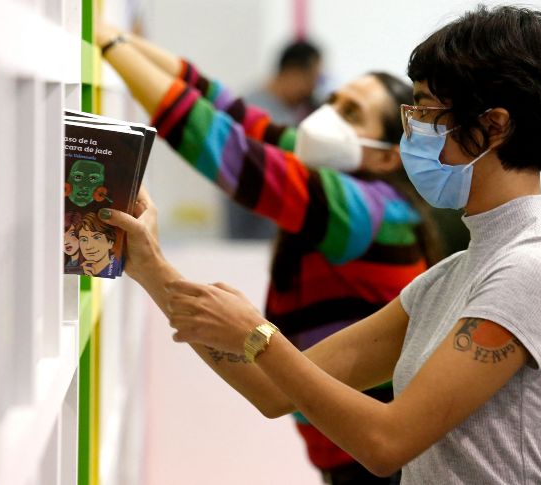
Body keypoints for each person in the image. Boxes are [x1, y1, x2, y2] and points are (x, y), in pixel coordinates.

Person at [100, 5, 541, 483]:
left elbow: (386, 443)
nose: (414, 131)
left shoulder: (536, 268)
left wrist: (258, 334)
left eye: (427, 110)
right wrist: (150, 268)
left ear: (493, 125)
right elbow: (273, 391)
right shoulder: (452, 276)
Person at [96, 20, 440, 485]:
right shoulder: (358, 189)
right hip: (349, 454)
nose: (329, 117)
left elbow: (230, 150)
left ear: (385, 156)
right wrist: (117, 36)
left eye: (352, 113)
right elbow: (227, 108)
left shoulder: (364, 209)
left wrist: (110, 44)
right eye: (333, 102)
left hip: (376, 461)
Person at [227, 39, 323, 240]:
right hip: (252, 236)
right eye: (313, 79)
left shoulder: (289, 111)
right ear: (293, 72)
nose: (313, 88)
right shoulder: (256, 112)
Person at [78, 212, 120, 277]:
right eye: (84, 240)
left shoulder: (116, 269)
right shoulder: (85, 268)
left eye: (97, 237)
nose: (89, 246)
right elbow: (85, 287)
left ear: (110, 242)